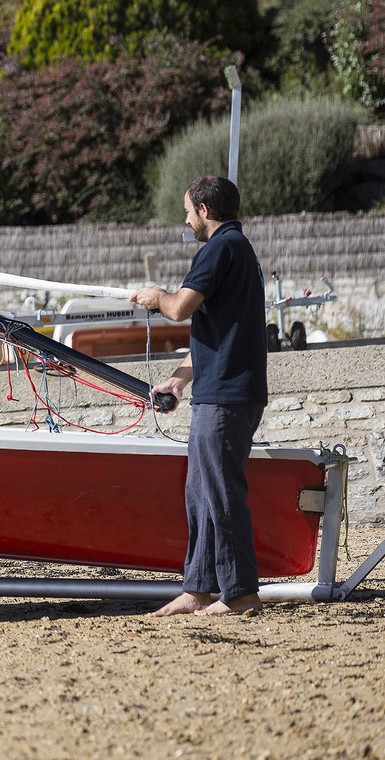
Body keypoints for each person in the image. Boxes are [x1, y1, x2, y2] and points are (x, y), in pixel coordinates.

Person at [131, 175, 268, 617]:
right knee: (200, 493)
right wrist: (178, 381)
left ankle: (242, 593)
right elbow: (216, 332)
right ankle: (199, 588)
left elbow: (178, 308)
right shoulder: (236, 250)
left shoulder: (220, 248)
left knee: (221, 493)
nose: (185, 218)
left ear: (206, 211)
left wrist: (156, 297)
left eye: (188, 210)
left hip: (227, 396)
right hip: (220, 390)